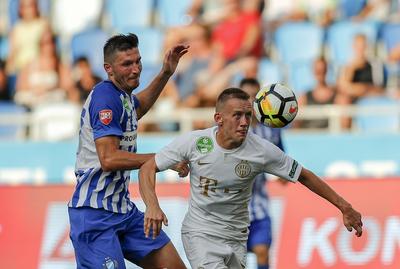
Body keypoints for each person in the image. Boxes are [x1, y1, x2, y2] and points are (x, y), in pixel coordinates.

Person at [139, 87, 363, 269]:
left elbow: (303, 175)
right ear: (219, 118)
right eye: (237, 115)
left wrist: (345, 206)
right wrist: (152, 205)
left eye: (248, 115)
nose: (245, 122)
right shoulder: (195, 143)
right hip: (201, 235)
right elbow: (148, 168)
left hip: (237, 237)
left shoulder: (262, 150)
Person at [67, 33, 189, 269]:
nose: (135, 70)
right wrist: (162, 159)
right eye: (126, 64)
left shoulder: (121, 96)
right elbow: (108, 158)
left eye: (138, 61)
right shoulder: (104, 97)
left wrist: (165, 73)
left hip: (123, 210)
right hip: (94, 214)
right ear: (108, 69)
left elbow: (138, 107)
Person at [240, 77, 286, 269]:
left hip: (259, 205)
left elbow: (281, 158)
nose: (250, 101)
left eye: (254, 96)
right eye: (246, 96)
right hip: (233, 211)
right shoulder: (229, 129)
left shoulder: (271, 131)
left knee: (262, 251)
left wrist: (283, 175)